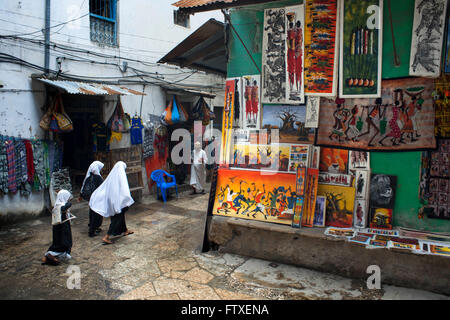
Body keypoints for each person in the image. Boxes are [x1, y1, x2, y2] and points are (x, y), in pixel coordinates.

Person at [89, 161, 135, 245]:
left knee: (121, 216)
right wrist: (126, 199)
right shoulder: (120, 177)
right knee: (116, 219)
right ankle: (106, 237)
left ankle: (125, 230)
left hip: (114, 201)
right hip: (117, 202)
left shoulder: (112, 177)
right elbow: (124, 190)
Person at [42, 190, 74, 265]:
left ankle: (47, 257)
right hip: (61, 228)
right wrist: (69, 203)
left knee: (58, 242)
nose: (68, 199)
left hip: (60, 227)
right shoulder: (60, 206)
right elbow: (64, 207)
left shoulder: (57, 205)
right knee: (63, 242)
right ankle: (50, 256)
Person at [79, 161, 104, 237]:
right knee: (97, 214)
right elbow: (102, 188)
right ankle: (92, 231)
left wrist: (81, 195)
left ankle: (92, 227)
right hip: (97, 199)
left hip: (91, 199)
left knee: (92, 213)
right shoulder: (98, 178)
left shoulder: (88, 177)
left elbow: (84, 186)